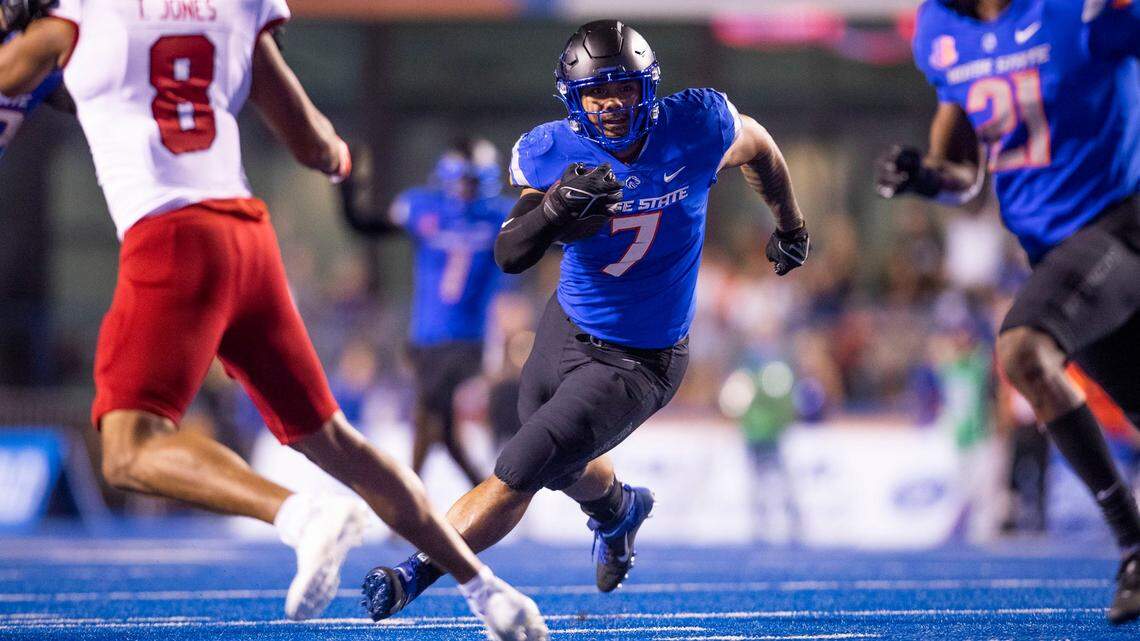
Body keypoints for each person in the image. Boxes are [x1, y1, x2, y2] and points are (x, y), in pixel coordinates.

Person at [0, 2, 547, 638]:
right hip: (248, 240)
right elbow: (314, 143)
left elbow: (34, 73)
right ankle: (491, 595)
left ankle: (298, 515)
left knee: (127, 451)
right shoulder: (225, 10)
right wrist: (344, 161)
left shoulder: (66, 25)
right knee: (336, 440)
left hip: (171, 235)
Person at [362, 19, 810, 620]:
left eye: (624, 88)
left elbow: (759, 145)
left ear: (646, 88)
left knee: (522, 464)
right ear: (574, 98)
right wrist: (552, 209)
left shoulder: (696, 126)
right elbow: (510, 252)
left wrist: (790, 223)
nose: (611, 104)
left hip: (642, 356)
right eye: (597, 92)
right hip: (566, 324)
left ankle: (413, 573)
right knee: (557, 460)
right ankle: (618, 509)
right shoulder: (553, 150)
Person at [875, 0, 1140, 624]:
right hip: (1054, 254)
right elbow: (965, 172)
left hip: (1121, 223)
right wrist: (921, 177)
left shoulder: (1076, 11)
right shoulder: (944, 31)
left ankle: (1132, 544)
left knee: (1024, 349)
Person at [341, 138, 513, 486]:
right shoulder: (425, 208)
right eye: (462, 179)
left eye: (473, 181)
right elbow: (362, 225)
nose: (466, 189)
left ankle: (407, 503)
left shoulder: (499, 215)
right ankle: (490, 494)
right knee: (446, 435)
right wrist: (346, 185)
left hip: (468, 338)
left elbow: (550, 240)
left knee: (426, 413)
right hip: (426, 337)